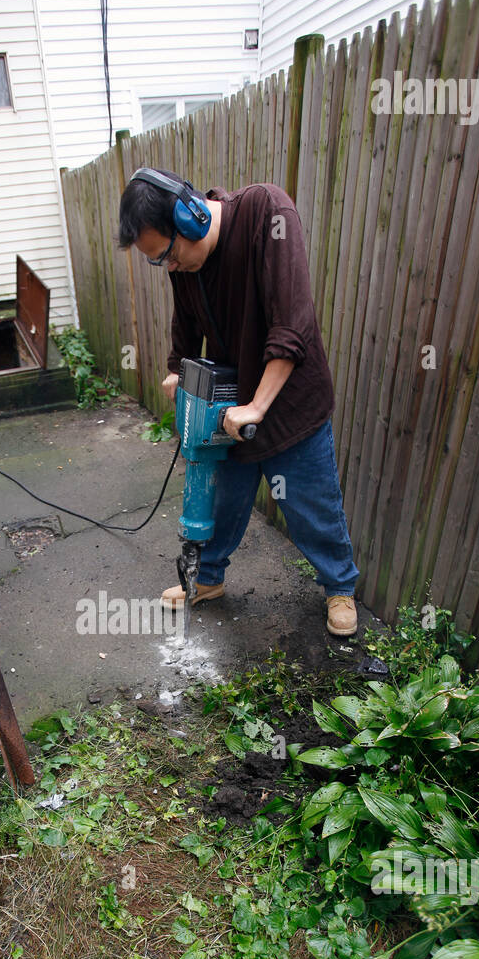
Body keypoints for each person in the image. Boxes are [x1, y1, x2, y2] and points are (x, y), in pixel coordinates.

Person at [117, 166, 359, 637]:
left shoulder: (267, 213)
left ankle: (339, 588)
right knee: (219, 500)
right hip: (229, 407)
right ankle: (206, 580)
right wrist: (175, 369)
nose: (167, 267)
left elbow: (293, 323)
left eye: (166, 254)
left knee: (312, 507)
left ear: (191, 219)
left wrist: (257, 407)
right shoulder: (185, 263)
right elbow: (184, 321)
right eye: (156, 262)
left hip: (289, 407)